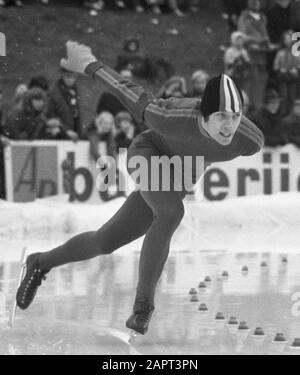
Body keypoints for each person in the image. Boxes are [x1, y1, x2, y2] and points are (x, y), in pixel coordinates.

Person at [16, 41, 264, 336]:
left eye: (235, 117)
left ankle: (40, 262)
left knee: (105, 241)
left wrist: (197, 164)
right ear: (204, 115)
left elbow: (210, 145)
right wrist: (88, 63)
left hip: (178, 175)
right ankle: (143, 306)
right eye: (222, 116)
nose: (229, 126)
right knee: (171, 213)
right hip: (148, 153)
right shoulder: (171, 118)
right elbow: (126, 90)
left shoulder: (249, 140)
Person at [238, 0, 270, 110]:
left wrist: (265, 42)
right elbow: (241, 35)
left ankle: (258, 105)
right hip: (250, 53)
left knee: (261, 80)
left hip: (262, 54)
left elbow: (266, 36)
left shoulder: (263, 17)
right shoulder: (244, 17)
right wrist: (256, 40)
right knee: (251, 79)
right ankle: (249, 106)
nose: (256, 3)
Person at [47, 64, 82, 141]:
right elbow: (51, 117)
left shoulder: (74, 92)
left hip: (73, 135)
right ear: (63, 76)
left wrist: (79, 133)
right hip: (58, 136)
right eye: (69, 77)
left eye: (74, 77)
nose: (72, 80)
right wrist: (66, 131)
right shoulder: (53, 93)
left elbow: (77, 116)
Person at [273, 30, 300, 115]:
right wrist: (280, 69)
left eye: (290, 39)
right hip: (283, 77)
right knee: (283, 96)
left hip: (293, 76)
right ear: (284, 40)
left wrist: (296, 69)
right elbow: (275, 65)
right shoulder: (280, 52)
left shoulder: (297, 52)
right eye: (286, 39)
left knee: (292, 96)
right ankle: (283, 114)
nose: (289, 41)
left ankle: (291, 114)